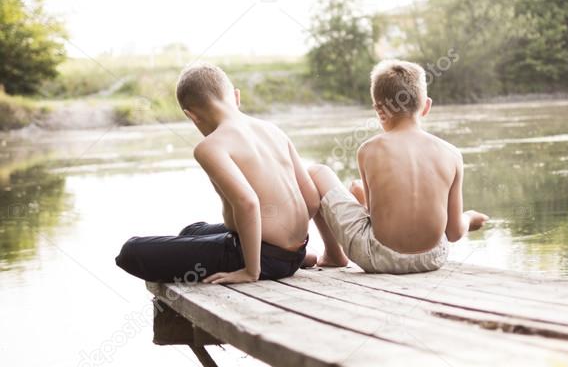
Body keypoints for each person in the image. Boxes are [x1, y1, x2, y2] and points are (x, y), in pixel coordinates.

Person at [115, 62, 318, 284]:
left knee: (130, 251)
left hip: (260, 257)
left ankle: (260, 263)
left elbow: (248, 202)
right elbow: (311, 199)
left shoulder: (210, 146)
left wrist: (251, 271)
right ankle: (295, 258)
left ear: (191, 115)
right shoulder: (273, 130)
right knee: (191, 231)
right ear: (236, 97)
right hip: (295, 250)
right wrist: (288, 243)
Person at [309, 58, 488, 274]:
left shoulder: (369, 150)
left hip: (378, 257)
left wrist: (359, 196)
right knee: (358, 189)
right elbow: (453, 233)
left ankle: (333, 254)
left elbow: (375, 218)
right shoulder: (452, 154)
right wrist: (469, 218)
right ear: (427, 106)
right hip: (433, 258)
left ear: (378, 110)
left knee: (318, 172)